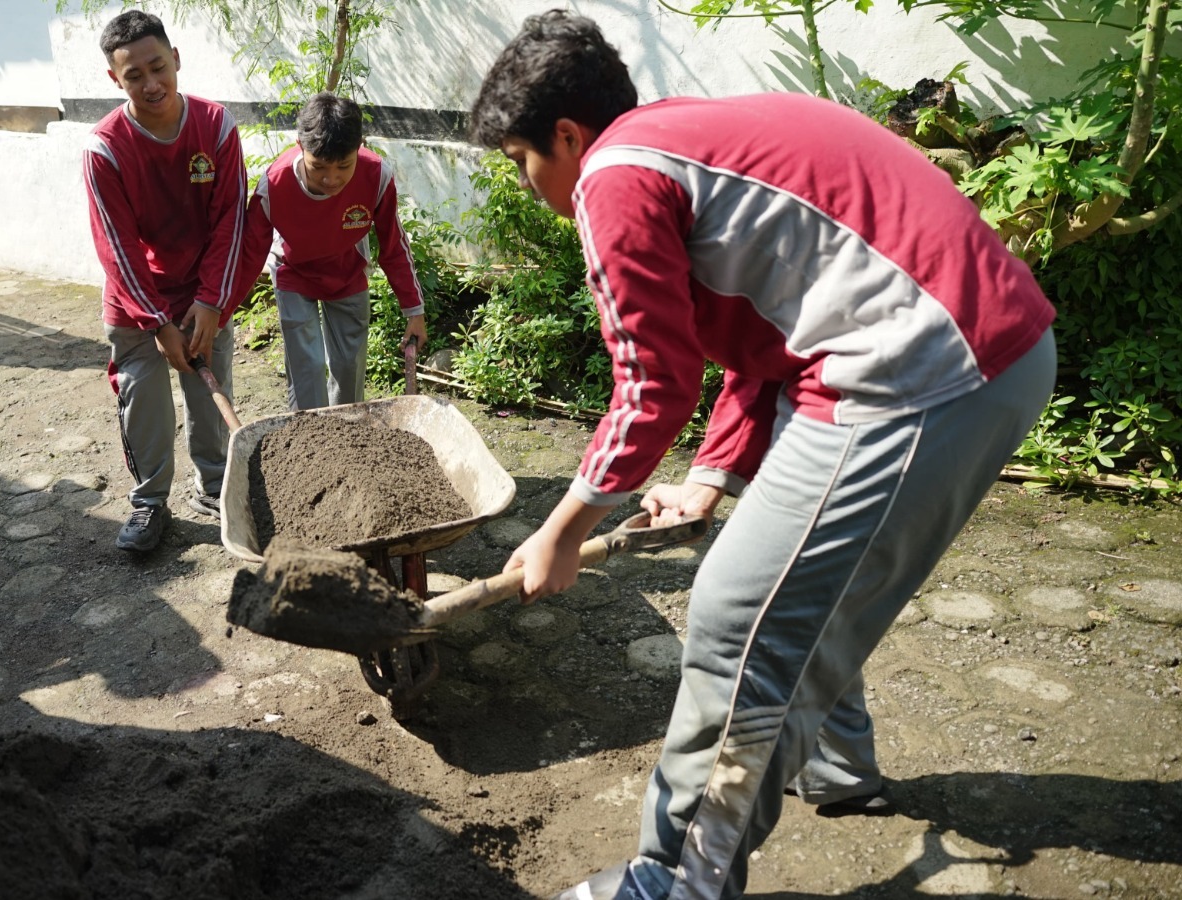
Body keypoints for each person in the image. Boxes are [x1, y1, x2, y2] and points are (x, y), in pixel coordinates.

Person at [468, 11, 1056, 900]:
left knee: (740, 611)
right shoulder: (691, 138)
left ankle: (674, 881)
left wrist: (559, 531)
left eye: (520, 162)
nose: (528, 184)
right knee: (805, 576)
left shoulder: (614, 172)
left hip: (914, 370)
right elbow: (772, 337)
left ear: (566, 134)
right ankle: (837, 767)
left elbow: (651, 384)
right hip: (986, 356)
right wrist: (709, 481)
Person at [83, 10, 247, 552]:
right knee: (142, 397)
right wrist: (155, 321)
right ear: (115, 79)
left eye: (159, 67)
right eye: (134, 76)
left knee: (209, 393)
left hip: (201, 292)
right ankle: (150, 502)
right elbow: (117, 247)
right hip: (136, 302)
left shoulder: (216, 126)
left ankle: (217, 488)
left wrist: (210, 301)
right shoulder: (104, 148)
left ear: (176, 60)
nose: (151, 84)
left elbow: (231, 221)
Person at [232, 92, 427, 410]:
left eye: (343, 166)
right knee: (306, 366)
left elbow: (393, 246)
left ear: (360, 146)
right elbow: (250, 254)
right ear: (300, 144)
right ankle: (311, 442)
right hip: (294, 272)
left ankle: (346, 434)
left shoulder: (375, 176)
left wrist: (414, 311)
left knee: (349, 366)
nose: (331, 178)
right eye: (319, 166)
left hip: (347, 271)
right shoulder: (274, 185)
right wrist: (219, 312)